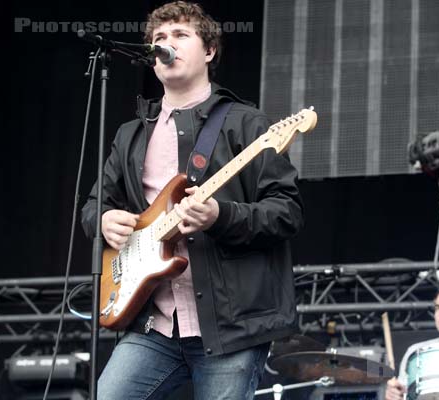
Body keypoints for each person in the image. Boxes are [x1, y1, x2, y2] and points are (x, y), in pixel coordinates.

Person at [81, 2, 304, 399]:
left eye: (181, 35)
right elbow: (95, 204)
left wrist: (221, 215)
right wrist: (102, 219)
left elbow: (286, 212)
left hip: (231, 326)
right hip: (154, 322)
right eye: (158, 39)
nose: (167, 45)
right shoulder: (132, 135)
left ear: (209, 51)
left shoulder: (247, 123)